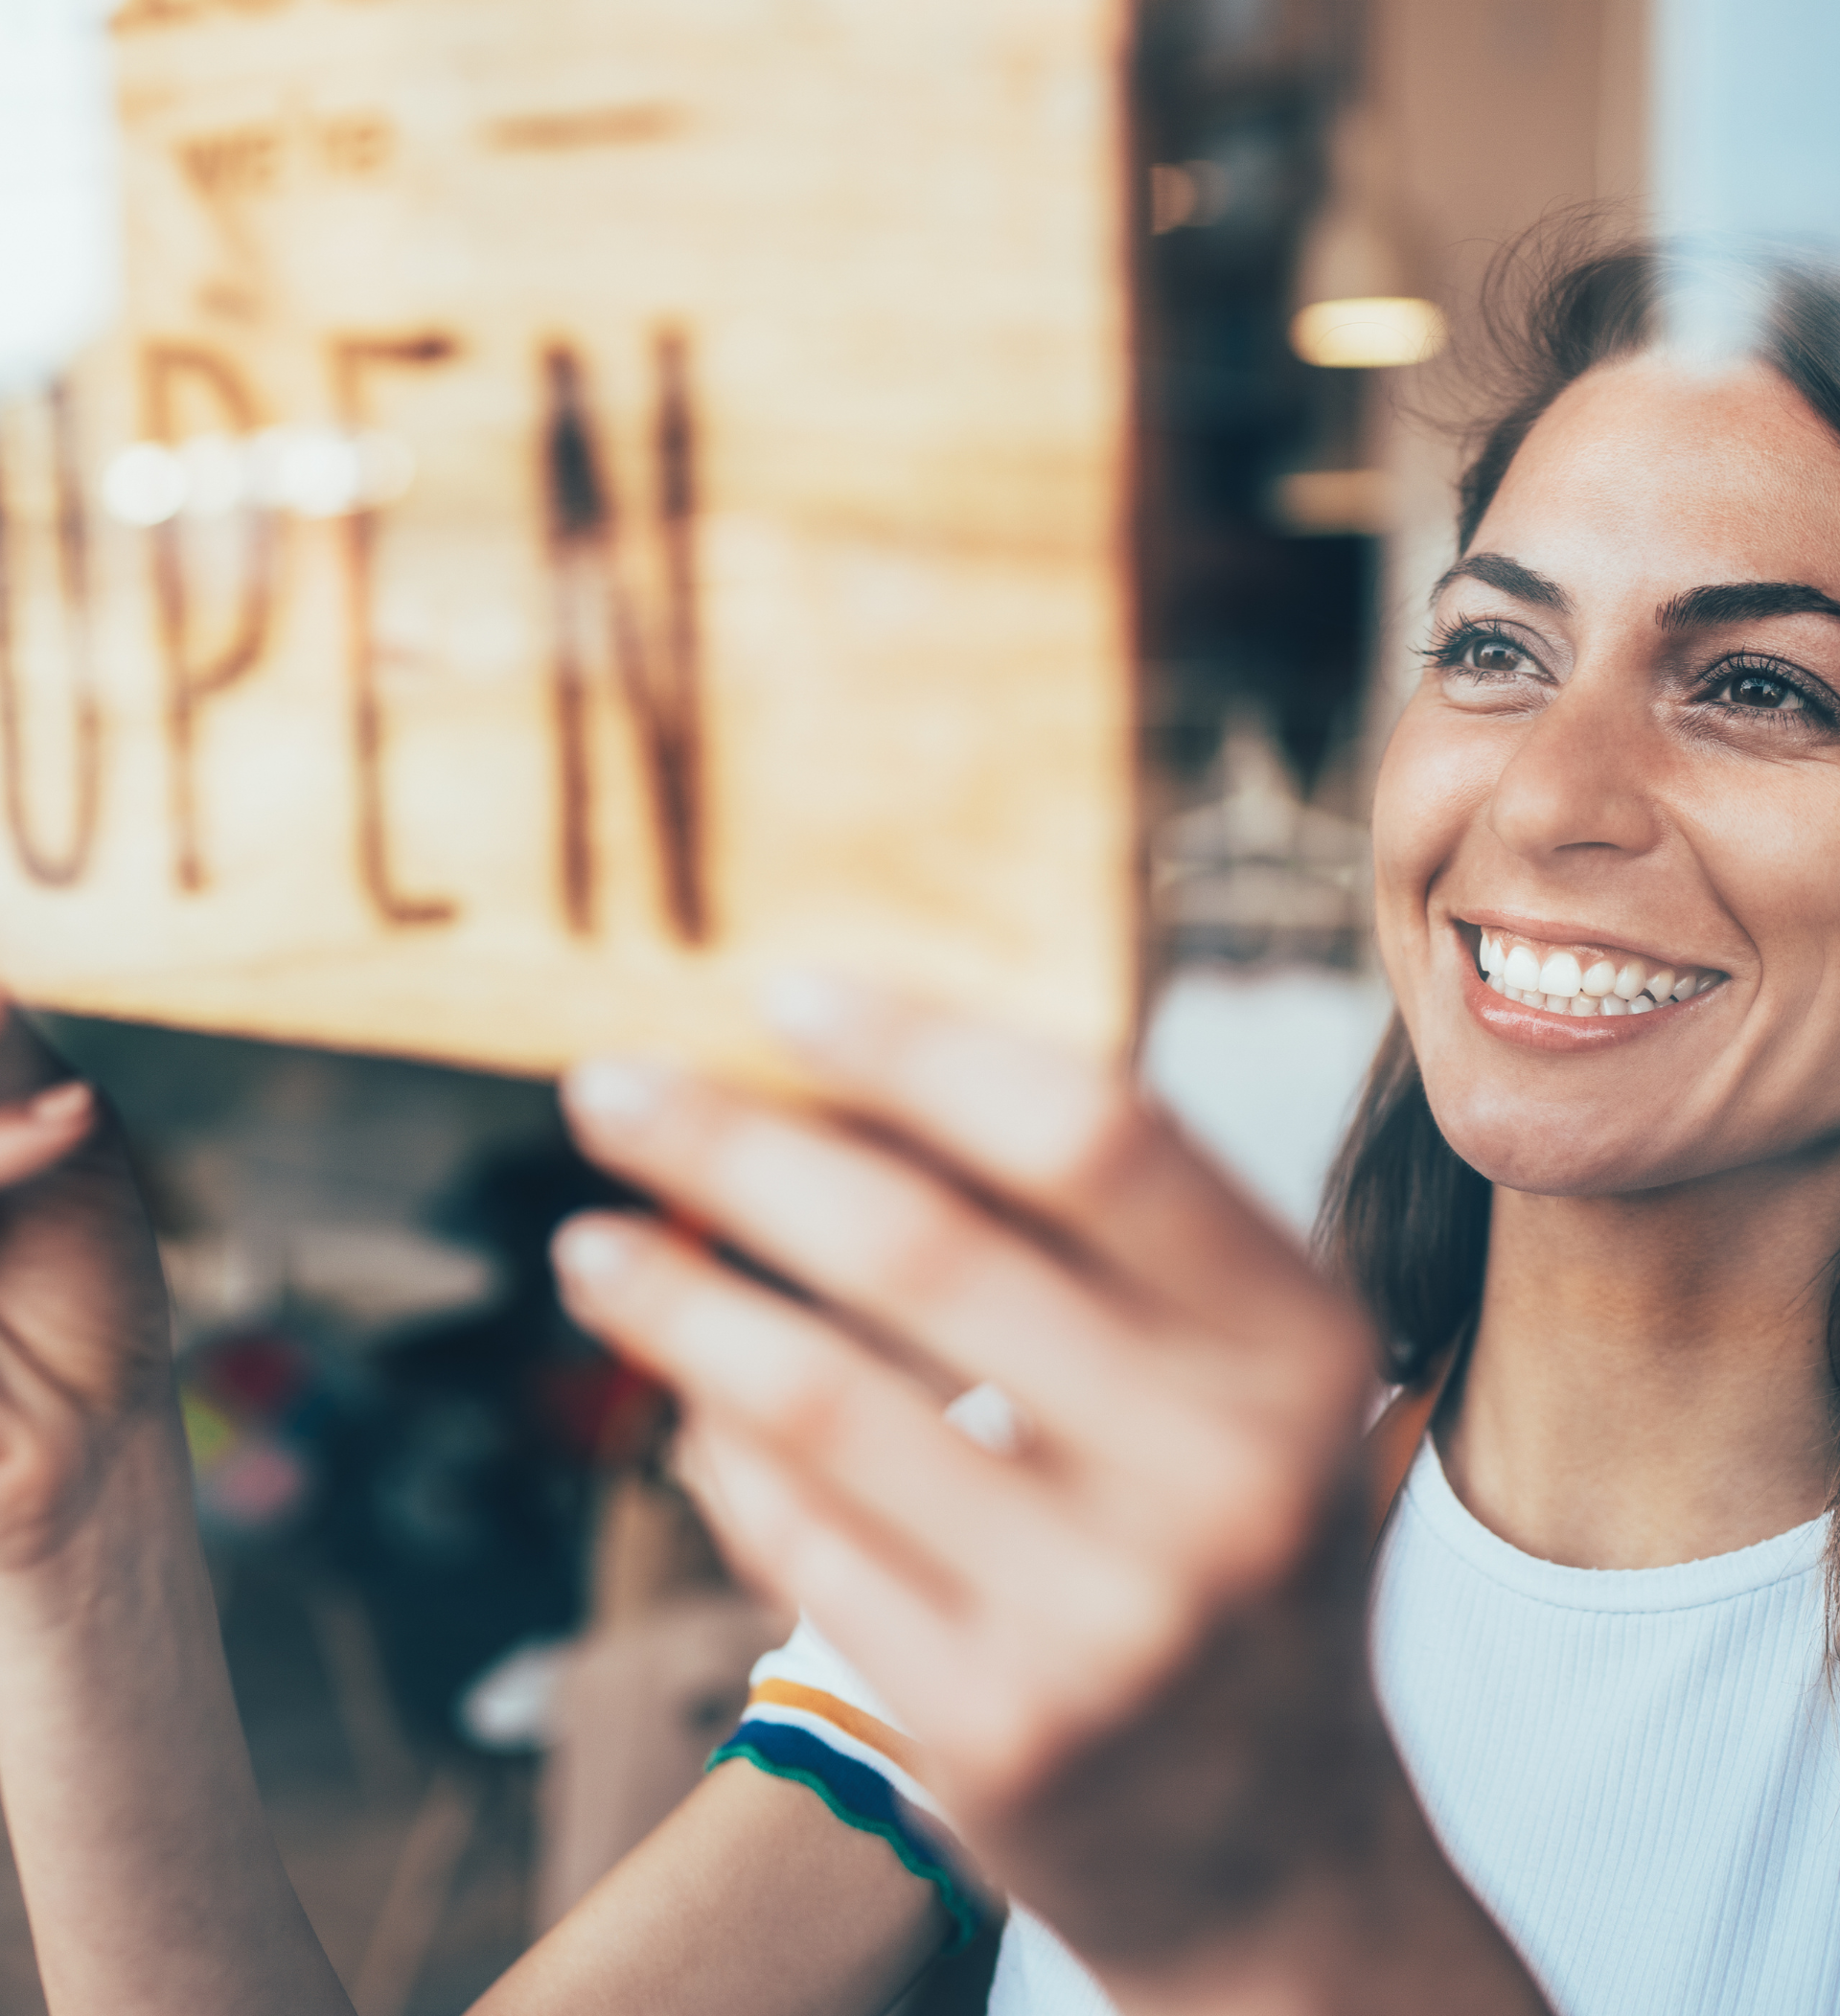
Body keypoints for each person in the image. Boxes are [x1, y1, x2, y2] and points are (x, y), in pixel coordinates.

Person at [2, 230, 1839, 2015]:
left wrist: (1280, 1890)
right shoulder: (1097, 1512)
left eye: (1762, 688)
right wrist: (80, 1523)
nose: (1543, 798)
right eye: (1495, 653)